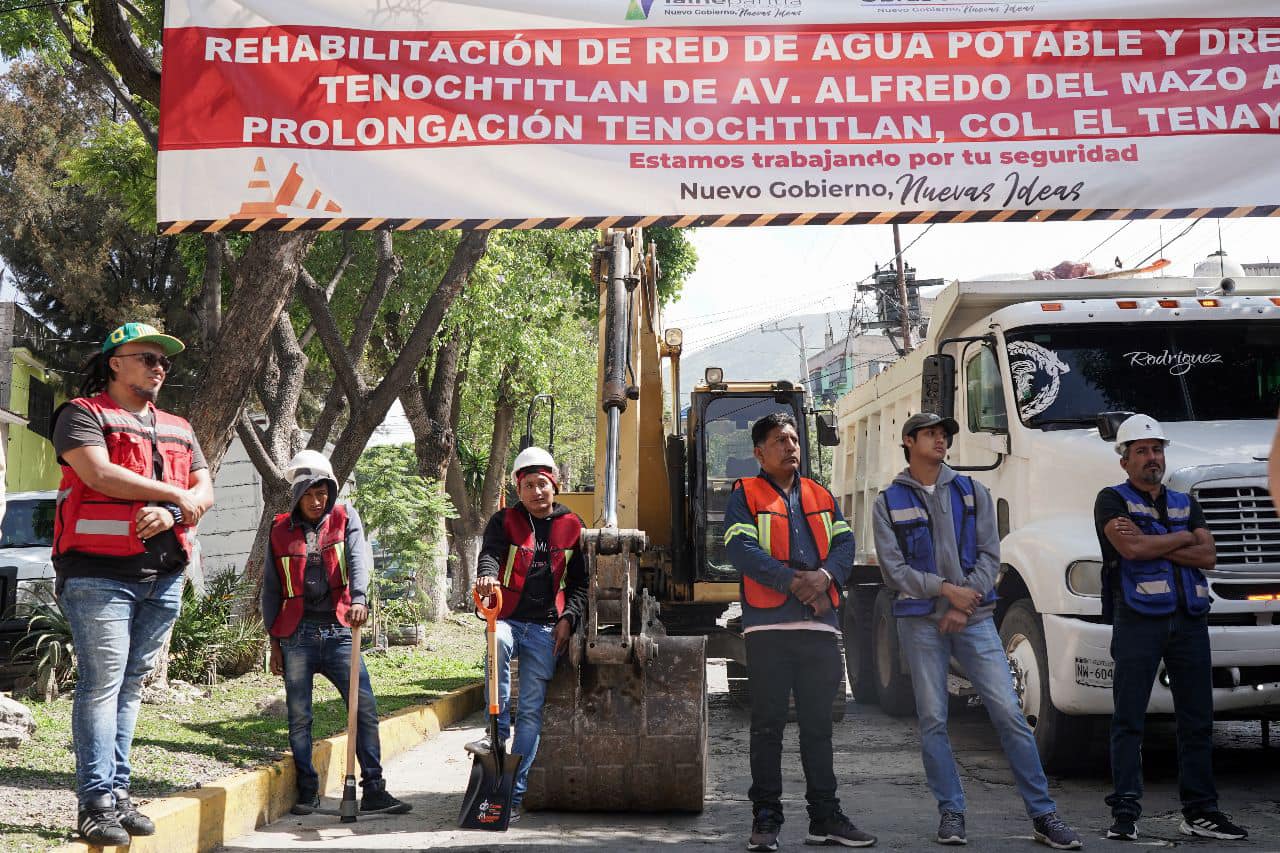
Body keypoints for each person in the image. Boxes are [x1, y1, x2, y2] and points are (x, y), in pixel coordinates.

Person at [873, 412, 1082, 850]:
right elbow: (894, 571)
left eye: (944, 434)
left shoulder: (973, 492)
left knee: (1008, 712)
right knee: (932, 719)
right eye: (930, 434)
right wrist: (945, 593)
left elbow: (992, 556)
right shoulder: (887, 502)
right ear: (909, 441)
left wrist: (962, 604)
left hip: (974, 619)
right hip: (921, 624)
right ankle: (952, 812)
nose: (940, 440)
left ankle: (1044, 815)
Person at [52, 322, 214, 846]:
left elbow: (201, 488)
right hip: (97, 575)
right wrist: (175, 494)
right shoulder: (82, 415)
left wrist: (173, 511)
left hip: (162, 576)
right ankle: (94, 803)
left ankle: (118, 796)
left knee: (129, 687)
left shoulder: (178, 425)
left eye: (164, 360)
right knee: (102, 686)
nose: (158, 366)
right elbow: (98, 474)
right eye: (146, 357)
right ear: (115, 362)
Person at [724, 411, 877, 851]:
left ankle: (824, 818)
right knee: (767, 725)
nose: (790, 445)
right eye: (779, 439)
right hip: (768, 630)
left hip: (820, 629)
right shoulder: (745, 495)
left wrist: (826, 577)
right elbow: (740, 547)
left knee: (818, 727)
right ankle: (766, 820)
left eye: (793, 438)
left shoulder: (820, 493)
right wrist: (795, 581)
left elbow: (845, 543)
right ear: (759, 452)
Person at [1094, 414, 1246, 841]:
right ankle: (1125, 813)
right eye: (1141, 451)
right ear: (1124, 460)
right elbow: (1131, 548)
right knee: (1128, 719)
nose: (1151, 458)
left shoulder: (1184, 501)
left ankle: (1201, 813)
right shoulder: (1110, 499)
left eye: (1156, 449)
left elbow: (1209, 557)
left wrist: (1154, 539)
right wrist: (1181, 538)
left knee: (1198, 719)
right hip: (1138, 618)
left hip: (1190, 619)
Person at [262, 450, 410, 817]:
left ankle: (374, 789)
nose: (318, 500)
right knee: (300, 716)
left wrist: (359, 599)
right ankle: (307, 790)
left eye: (323, 492)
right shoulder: (280, 530)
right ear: (297, 496)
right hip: (297, 634)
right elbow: (270, 589)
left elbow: (360, 560)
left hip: (342, 630)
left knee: (364, 709)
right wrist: (274, 642)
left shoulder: (346, 518)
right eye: (310, 493)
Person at [471, 446, 588, 824]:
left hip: (545, 627)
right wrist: (487, 575)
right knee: (498, 643)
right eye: (529, 486)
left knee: (533, 711)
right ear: (518, 490)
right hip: (504, 617)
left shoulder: (573, 525)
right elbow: (489, 554)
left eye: (543, 484)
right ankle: (496, 730)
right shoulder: (503, 521)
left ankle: (513, 795)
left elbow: (580, 584)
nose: (537, 492)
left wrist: (568, 619)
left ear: (555, 485)